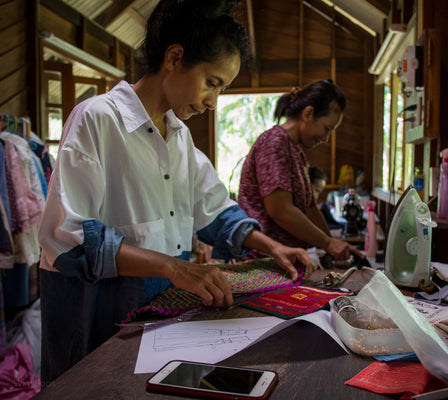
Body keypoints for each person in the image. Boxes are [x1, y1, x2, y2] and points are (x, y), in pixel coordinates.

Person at [37, 0, 313, 382]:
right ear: (174, 57)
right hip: (96, 320)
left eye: (221, 89)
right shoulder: (98, 119)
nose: (212, 102)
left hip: (158, 318)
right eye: (212, 83)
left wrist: (272, 247)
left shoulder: (178, 138)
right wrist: (172, 267)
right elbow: (66, 239)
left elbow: (216, 212)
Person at [238, 80, 361, 261]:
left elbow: (310, 208)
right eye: (327, 128)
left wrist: (332, 244)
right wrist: (327, 244)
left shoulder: (296, 152)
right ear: (308, 113)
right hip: (262, 262)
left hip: (285, 262)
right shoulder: (273, 143)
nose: (326, 138)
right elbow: (280, 210)